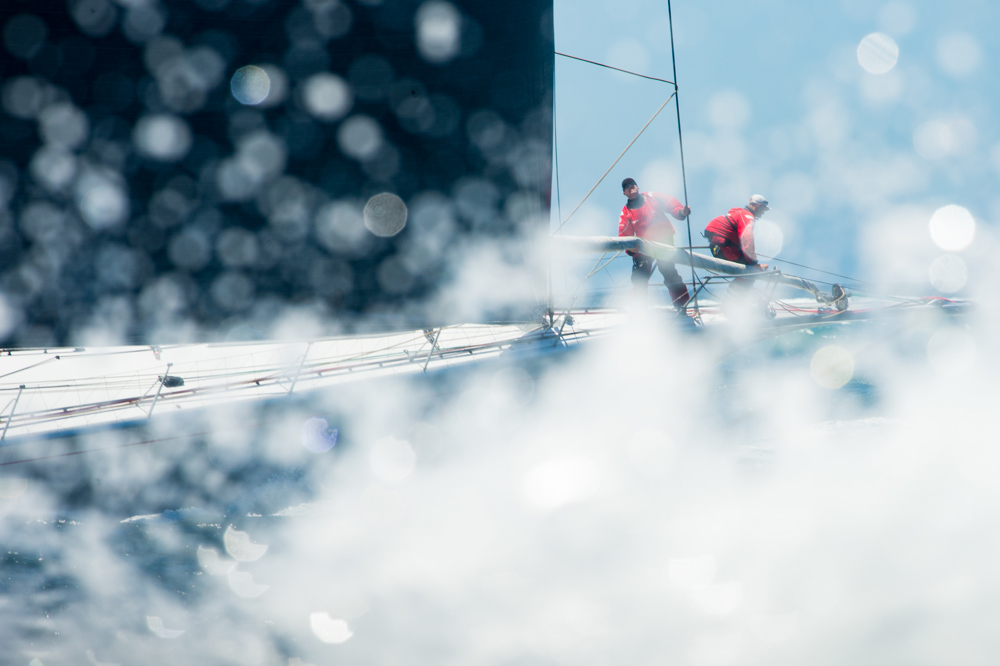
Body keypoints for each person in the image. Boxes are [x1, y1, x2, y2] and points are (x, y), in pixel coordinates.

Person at [618, 177, 691, 309]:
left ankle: (682, 307)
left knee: (669, 272)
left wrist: (682, 212)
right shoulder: (625, 212)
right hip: (644, 246)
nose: (630, 186)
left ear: (637, 187)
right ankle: (638, 311)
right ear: (624, 193)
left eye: (633, 184)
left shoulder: (652, 197)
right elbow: (624, 236)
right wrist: (632, 249)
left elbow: (671, 204)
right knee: (639, 277)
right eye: (626, 186)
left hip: (663, 240)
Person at [703, 194, 770, 269]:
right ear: (758, 206)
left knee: (749, 271)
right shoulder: (747, 215)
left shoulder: (740, 213)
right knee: (751, 270)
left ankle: (737, 280)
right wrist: (753, 262)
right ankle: (739, 280)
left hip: (718, 247)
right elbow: (747, 237)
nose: (763, 212)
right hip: (724, 247)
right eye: (763, 209)